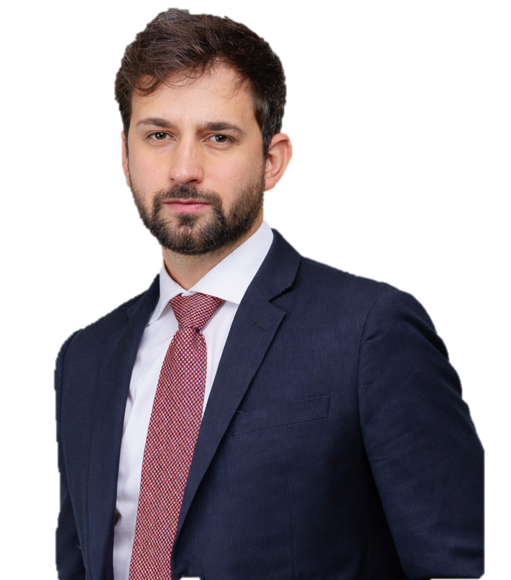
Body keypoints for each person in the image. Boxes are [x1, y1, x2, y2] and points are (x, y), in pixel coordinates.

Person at [55, 8, 485, 580]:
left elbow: (453, 566)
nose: (184, 169)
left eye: (218, 137)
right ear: (125, 159)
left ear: (273, 161)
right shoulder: (84, 357)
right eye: (159, 135)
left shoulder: (371, 332)